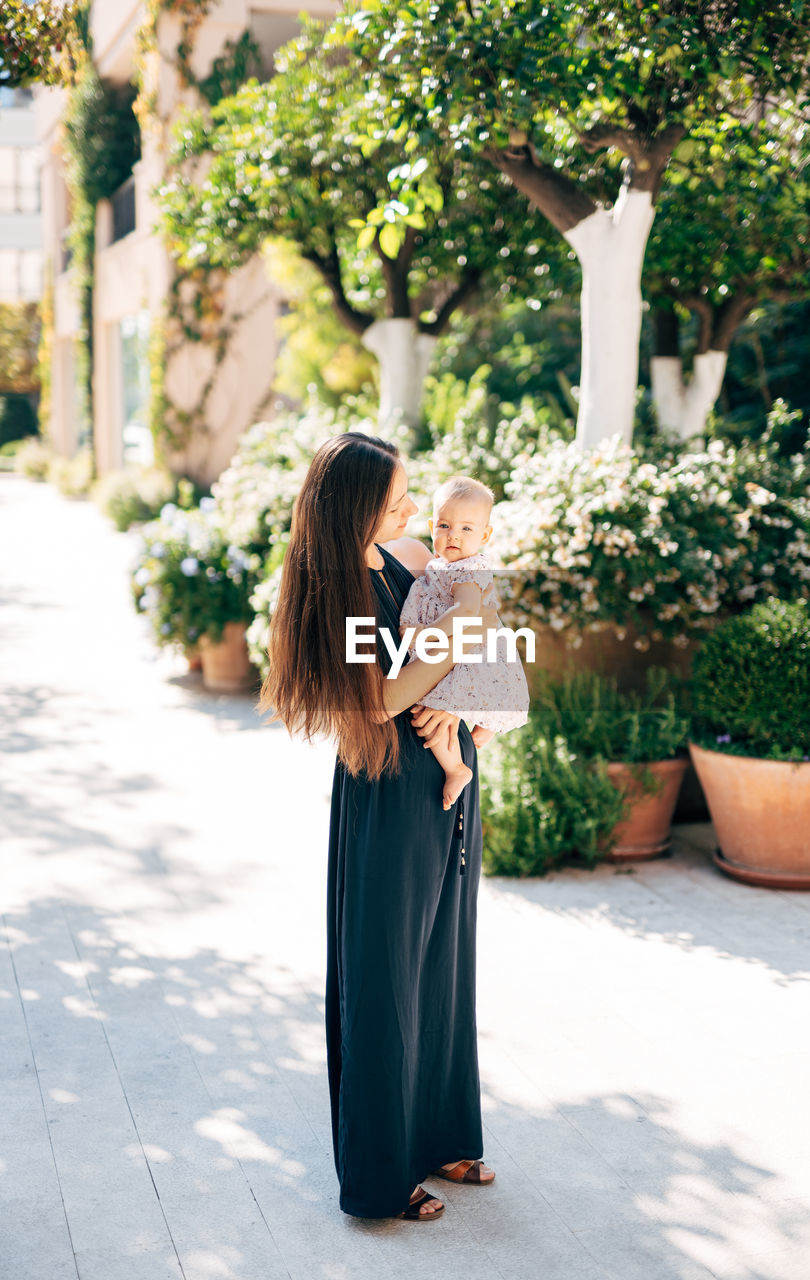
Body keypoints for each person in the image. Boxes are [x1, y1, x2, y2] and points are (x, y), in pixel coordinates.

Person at [258, 432, 499, 1222]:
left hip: (447, 782)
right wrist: (456, 646)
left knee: (442, 964)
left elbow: (474, 602)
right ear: (357, 505)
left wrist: (472, 700)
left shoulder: (401, 556)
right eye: (396, 497)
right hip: (387, 790)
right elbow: (377, 703)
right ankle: (377, 1173)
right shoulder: (331, 589)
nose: (410, 508)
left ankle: (442, 1130)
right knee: (383, 979)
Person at [398, 475, 530, 810]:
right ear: (431, 527)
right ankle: (477, 739)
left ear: (485, 535)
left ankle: (456, 768)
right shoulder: (442, 567)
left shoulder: (467, 571)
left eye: (467, 529)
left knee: (427, 711)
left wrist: (425, 636)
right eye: (445, 525)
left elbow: (466, 612)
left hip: (471, 658)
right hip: (474, 657)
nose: (453, 534)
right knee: (457, 718)